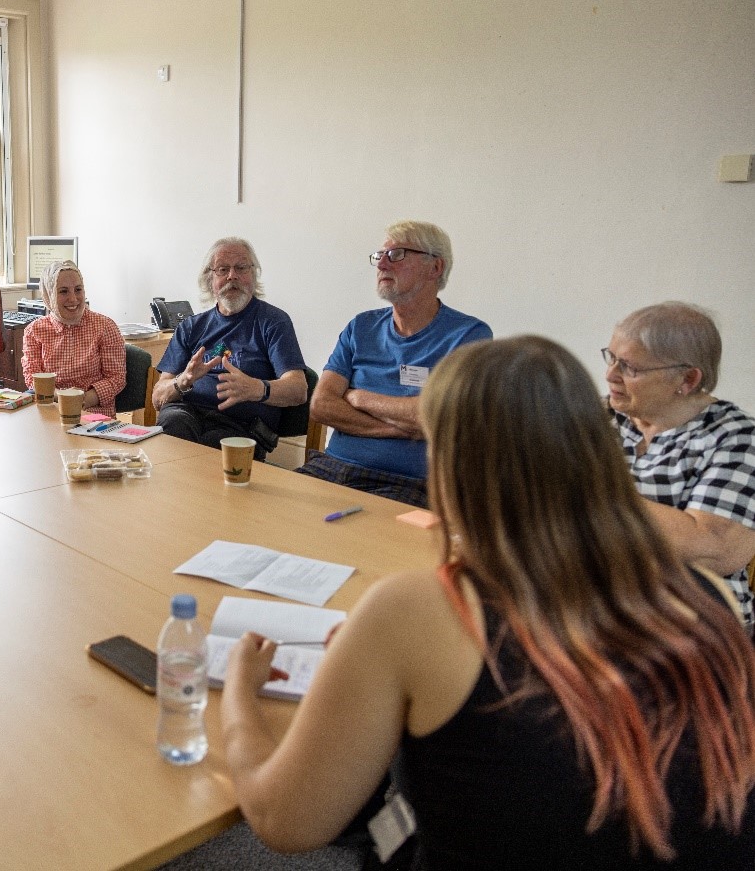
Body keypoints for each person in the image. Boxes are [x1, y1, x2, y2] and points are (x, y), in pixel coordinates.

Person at [222, 336, 755, 868]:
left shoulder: (417, 608)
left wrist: (239, 693)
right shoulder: (710, 597)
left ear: (452, 459)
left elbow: (282, 822)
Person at [300, 220, 490, 507]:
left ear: (435, 268)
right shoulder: (360, 327)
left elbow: (435, 417)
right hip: (331, 467)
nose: (382, 265)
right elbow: (321, 405)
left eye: (397, 254)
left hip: (409, 484)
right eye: (380, 256)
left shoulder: (468, 336)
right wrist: (402, 429)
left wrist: (358, 397)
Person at [605, 301, 755, 627]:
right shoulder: (598, 419)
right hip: (604, 615)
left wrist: (592, 494)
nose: (610, 375)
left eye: (629, 367)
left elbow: (715, 549)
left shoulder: (737, 438)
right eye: (611, 357)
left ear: (687, 379)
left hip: (699, 630)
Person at [151, 237, 307, 459]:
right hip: (187, 415)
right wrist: (183, 380)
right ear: (210, 279)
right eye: (223, 269)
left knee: (212, 448)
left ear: (253, 275)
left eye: (241, 268)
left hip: (240, 426)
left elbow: (298, 390)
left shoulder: (274, 322)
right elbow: (158, 398)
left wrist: (255, 388)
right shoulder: (190, 327)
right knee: (173, 425)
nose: (232, 276)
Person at [20, 260, 126, 415]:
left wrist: (83, 399)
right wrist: (62, 398)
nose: (73, 298)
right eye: (63, 291)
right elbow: (32, 377)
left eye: (78, 289)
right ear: (48, 295)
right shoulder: (34, 331)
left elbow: (116, 378)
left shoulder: (105, 326)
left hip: (94, 414)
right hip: (51, 410)